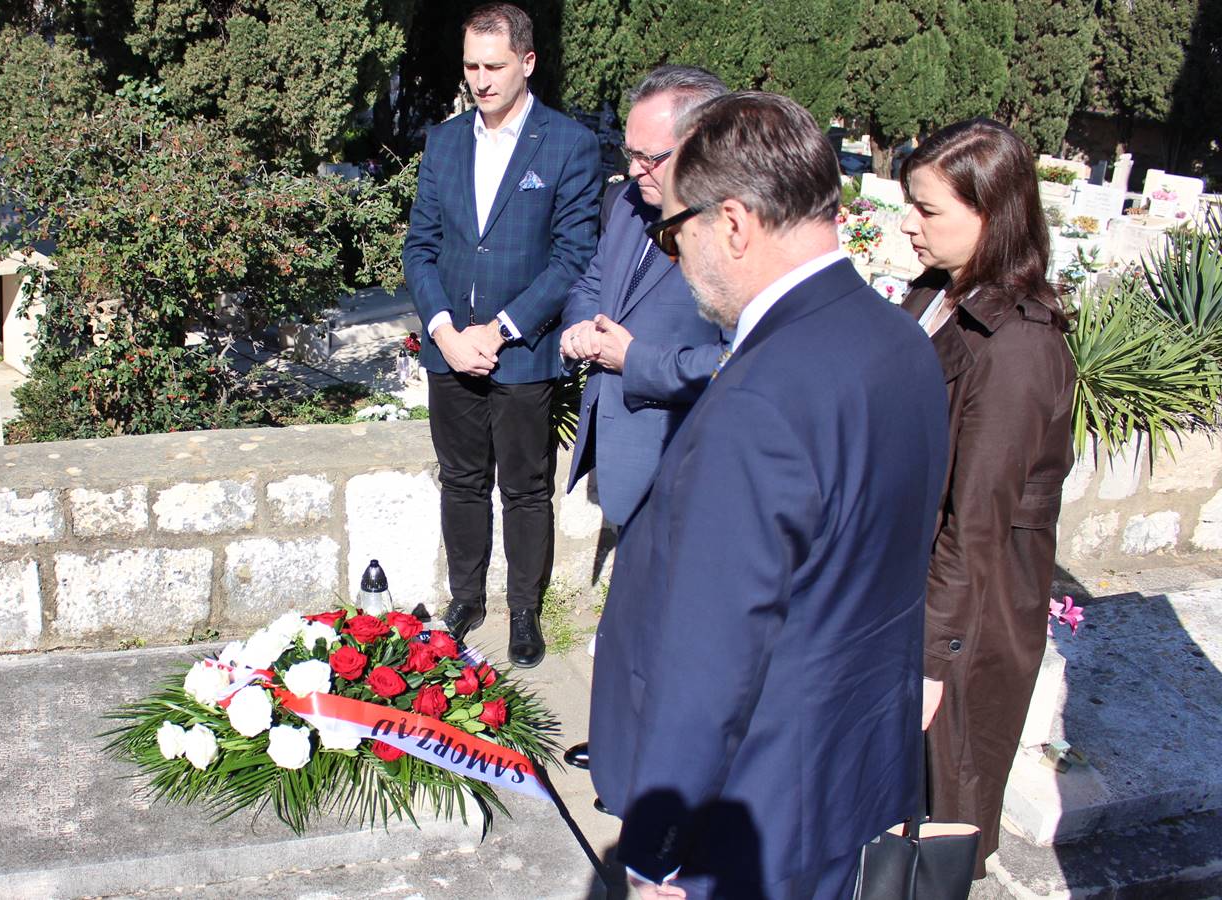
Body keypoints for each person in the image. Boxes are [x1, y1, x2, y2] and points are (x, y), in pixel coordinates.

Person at [587, 92, 949, 899]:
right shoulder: (902, 341)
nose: (675, 258)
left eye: (673, 233)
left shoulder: (757, 397)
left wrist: (654, 853)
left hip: (754, 818)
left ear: (733, 224)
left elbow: (711, 661)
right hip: (852, 784)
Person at [898, 118, 1076, 881]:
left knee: (935, 823)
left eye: (928, 209)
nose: (908, 223)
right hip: (913, 594)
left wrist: (932, 661)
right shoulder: (936, 294)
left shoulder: (1020, 346)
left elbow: (976, 523)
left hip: (966, 620)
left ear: (991, 214)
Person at [401, 2, 602, 668]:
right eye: (471, 66)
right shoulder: (445, 141)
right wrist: (444, 330)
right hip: (450, 351)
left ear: (528, 62)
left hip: (523, 354)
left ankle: (523, 610)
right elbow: (421, 247)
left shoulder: (568, 144)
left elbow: (572, 256)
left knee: (523, 487)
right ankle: (465, 601)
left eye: (494, 66)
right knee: (461, 482)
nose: (481, 80)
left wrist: (501, 329)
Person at [556, 65, 729, 775]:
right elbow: (596, 280)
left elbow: (736, 359)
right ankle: (621, 745)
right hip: (628, 444)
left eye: (649, 157)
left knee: (676, 626)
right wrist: (580, 327)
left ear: (702, 143)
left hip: (685, 451)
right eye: (629, 153)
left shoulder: (730, 229)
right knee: (633, 611)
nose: (634, 171)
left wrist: (637, 360)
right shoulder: (630, 202)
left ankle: (652, 762)